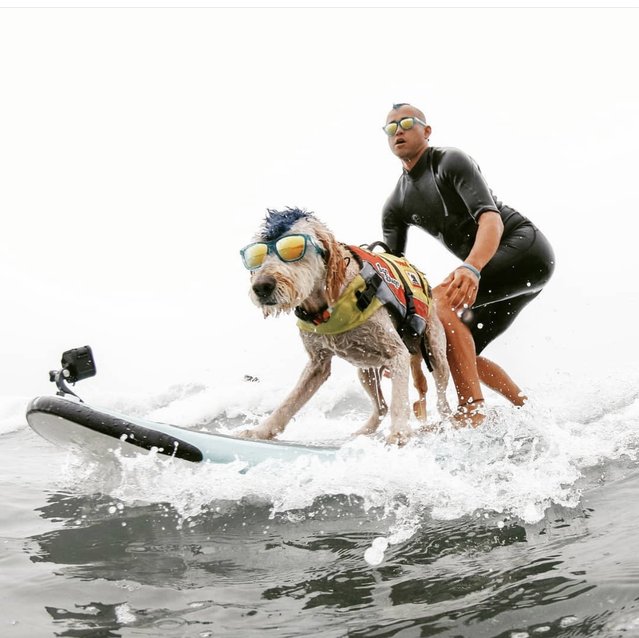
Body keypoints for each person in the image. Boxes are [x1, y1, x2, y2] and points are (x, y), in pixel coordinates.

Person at [381, 103, 555, 426]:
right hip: (493, 270)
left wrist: (472, 268)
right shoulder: (396, 204)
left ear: (427, 131)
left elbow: (491, 220)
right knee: (456, 350)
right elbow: (396, 282)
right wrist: (399, 341)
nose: (398, 131)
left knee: (437, 302)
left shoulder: (449, 162)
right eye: (391, 127)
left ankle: (471, 413)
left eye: (406, 122)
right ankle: (531, 413)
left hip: (525, 250)